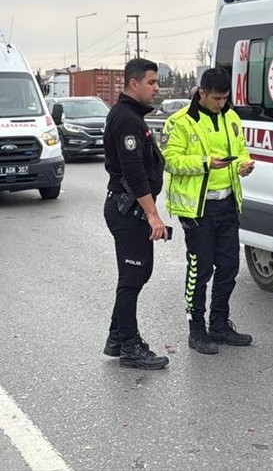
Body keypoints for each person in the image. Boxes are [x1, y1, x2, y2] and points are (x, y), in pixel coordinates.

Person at [162, 67, 255, 355]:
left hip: (227, 202)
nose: (221, 103)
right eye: (216, 98)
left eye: (225, 98)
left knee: (229, 267)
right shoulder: (180, 122)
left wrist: (243, 164)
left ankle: (220, 324)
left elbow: (240, 149)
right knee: (199, 270)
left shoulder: (231, 117)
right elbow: (170, 160)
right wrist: (205, 162)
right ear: (201, 92)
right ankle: (196, 329)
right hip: (197, 208)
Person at [102, 58, 170, 370]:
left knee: (140, 273)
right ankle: (130, 347)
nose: (157, 88)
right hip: (127, 208)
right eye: (151, 82)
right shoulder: (127, 120)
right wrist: (153, 215)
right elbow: (133, 173)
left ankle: (117, 337)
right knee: (131, 279)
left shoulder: (132, 116)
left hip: (131, 208)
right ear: (133, 83)